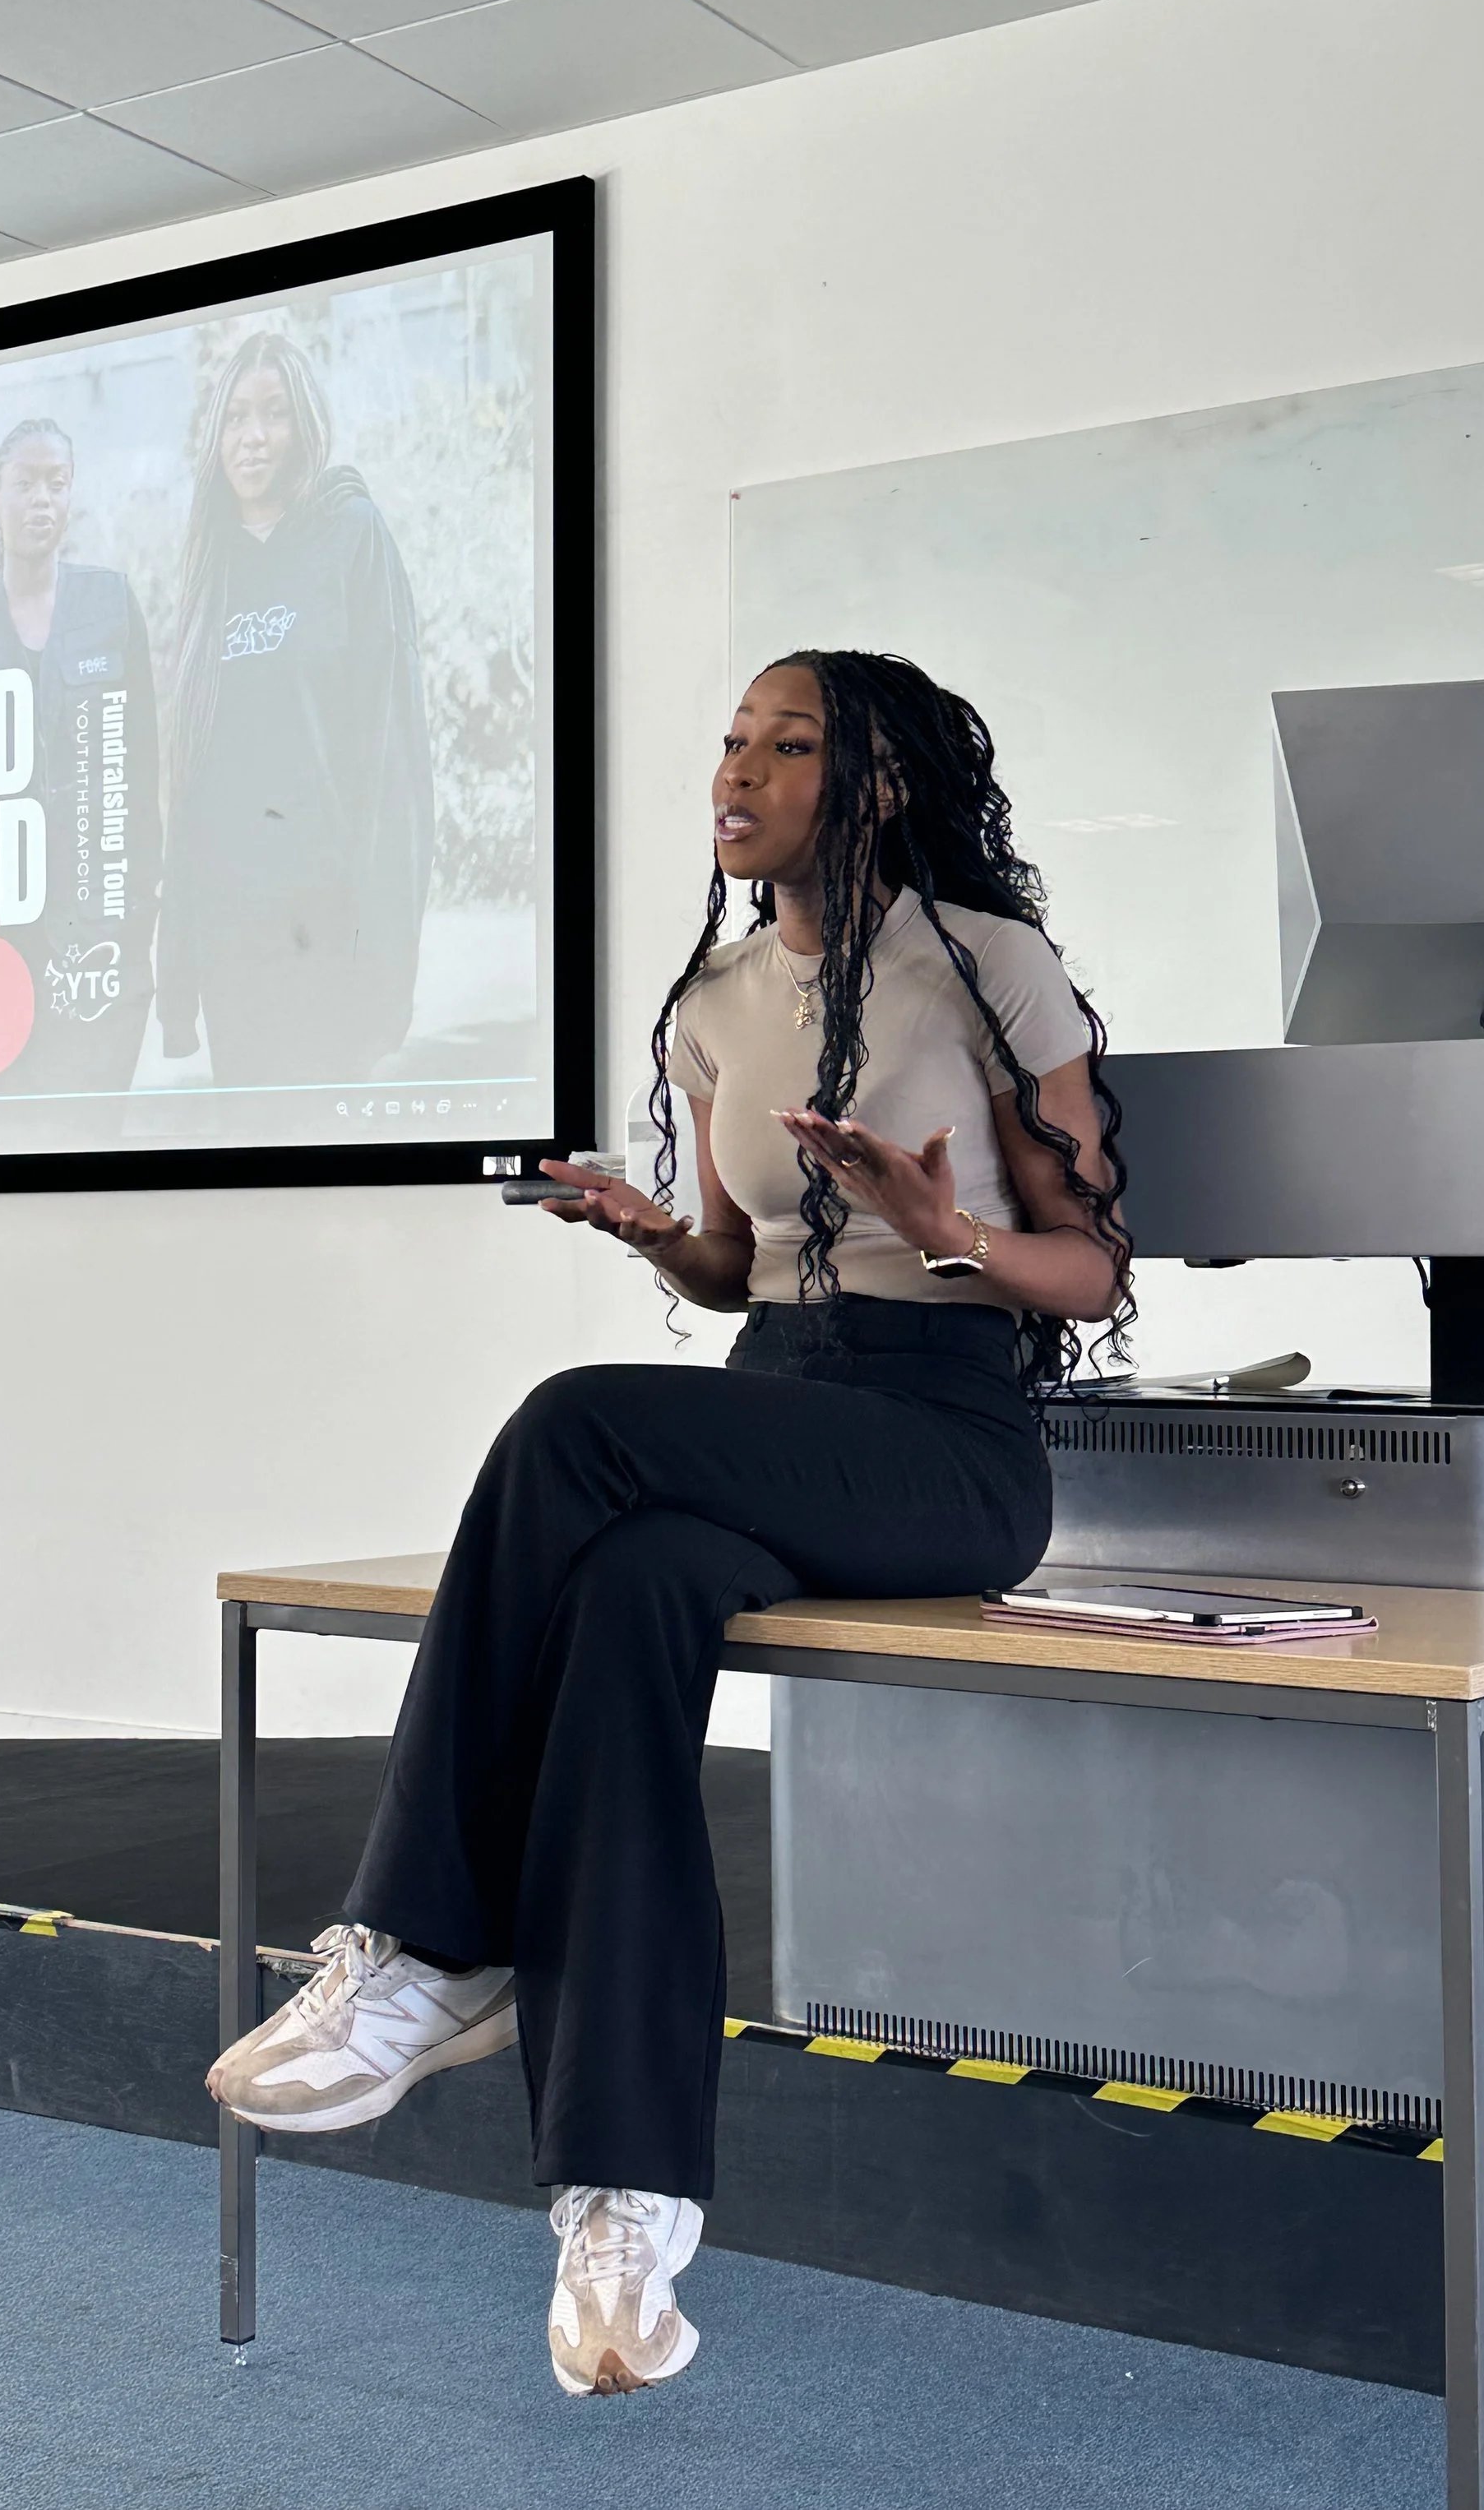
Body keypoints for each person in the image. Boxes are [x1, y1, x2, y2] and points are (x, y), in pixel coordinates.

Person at [208, 650, 1131, 2395]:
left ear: (870, 783)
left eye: (788, 744)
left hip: (942, 1435)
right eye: (730, 739)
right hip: (776, 1405)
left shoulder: (987, 967)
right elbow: (736, 1267)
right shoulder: (713, 998)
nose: (739, 770)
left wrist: (945, 1226)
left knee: (571, 1424)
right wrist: (645, 1228)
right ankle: (622, 2199)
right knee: (629, 1584)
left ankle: (423, 1944)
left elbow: (1088, 1266)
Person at [156, 331, 432, 1088]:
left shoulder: (352, 536)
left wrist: (382, 964)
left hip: (326, 942)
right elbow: (189, 785)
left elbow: (394, 763)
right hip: (230, 949)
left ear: (303, 422)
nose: (254, 436)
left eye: (273, 414)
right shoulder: (210, 563)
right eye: (237, 417)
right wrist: (178, 979)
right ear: (214, 438)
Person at [0, 418, 160, 1095]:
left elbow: (143, 776)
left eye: (56, 483)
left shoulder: (112, 605)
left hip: (98, 949)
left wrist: (140, 913)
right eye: (24, 484)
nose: (40, 500)